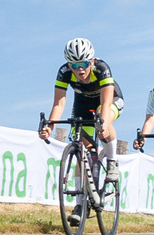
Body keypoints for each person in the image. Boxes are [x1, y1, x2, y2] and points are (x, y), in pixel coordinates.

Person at [41, 36, 122, 180]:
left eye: (84, 64)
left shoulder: (101, 68)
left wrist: (102, 124)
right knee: (84, 152)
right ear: (69, 64)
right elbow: (58, 104)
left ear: (91, 61)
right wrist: (50, 127)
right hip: (83, 104)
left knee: (103, 120)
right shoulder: (64, 72)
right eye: (74, 65)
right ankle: (80, 200)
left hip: (109, 100)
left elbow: (106, 103)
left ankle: (112, 163)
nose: (80, 70)